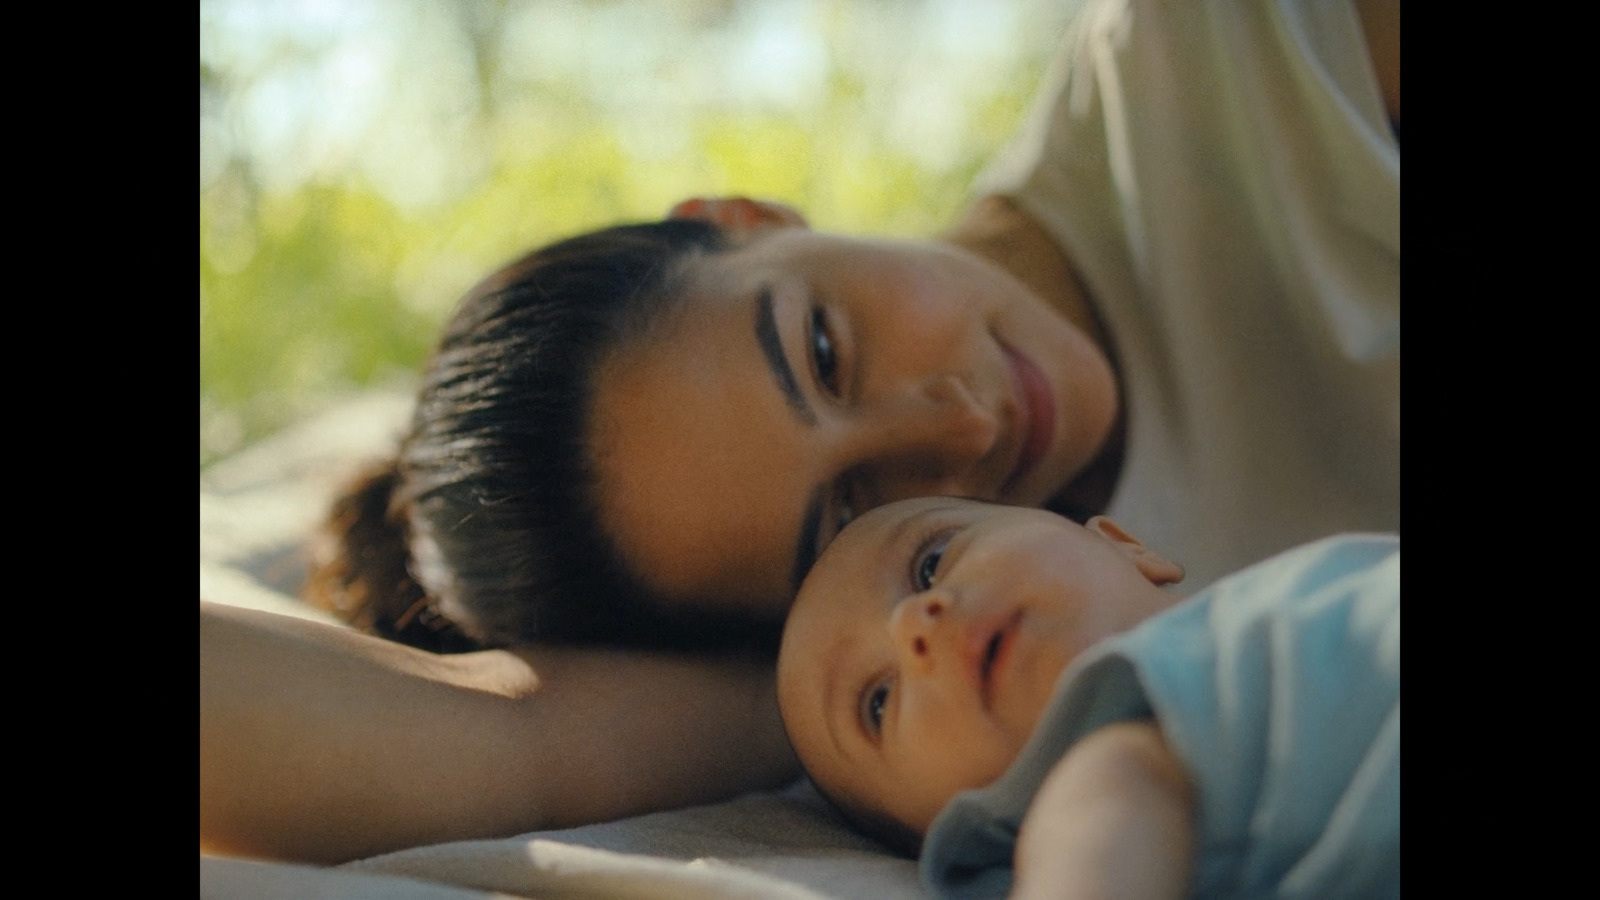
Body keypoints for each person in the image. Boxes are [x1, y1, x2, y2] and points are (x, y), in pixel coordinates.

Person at [204, 0, 1399, 863]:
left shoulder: (1248, 55)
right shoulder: (932, 648)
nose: (963, 426)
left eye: (823, 350)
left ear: (743, 215)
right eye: (849, 511)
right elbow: (499, 744)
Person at [775, 496, 1399, 899]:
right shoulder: (1107, 766)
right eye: (878, 703)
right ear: (942, 830)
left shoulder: (1251, 625)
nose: (914, 622)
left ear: (1124, 543)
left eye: (931, 563)